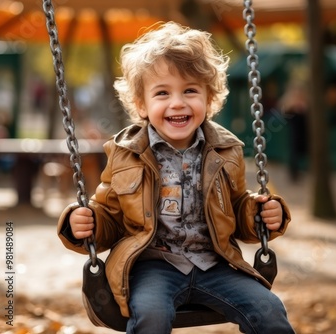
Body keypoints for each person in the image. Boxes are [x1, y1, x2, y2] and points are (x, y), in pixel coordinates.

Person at [57, 22, 294, 334]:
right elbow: (111, 216)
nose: (178, 102)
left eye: (190, 91)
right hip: (153, 267)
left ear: (209, 99)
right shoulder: (126, 154)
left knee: (270, 310)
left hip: (216, 264)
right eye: (162, 93)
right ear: (141, 104)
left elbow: (236, 209)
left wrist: (261, 216)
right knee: (151, 317)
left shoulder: (226, 151)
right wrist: (84, 224)